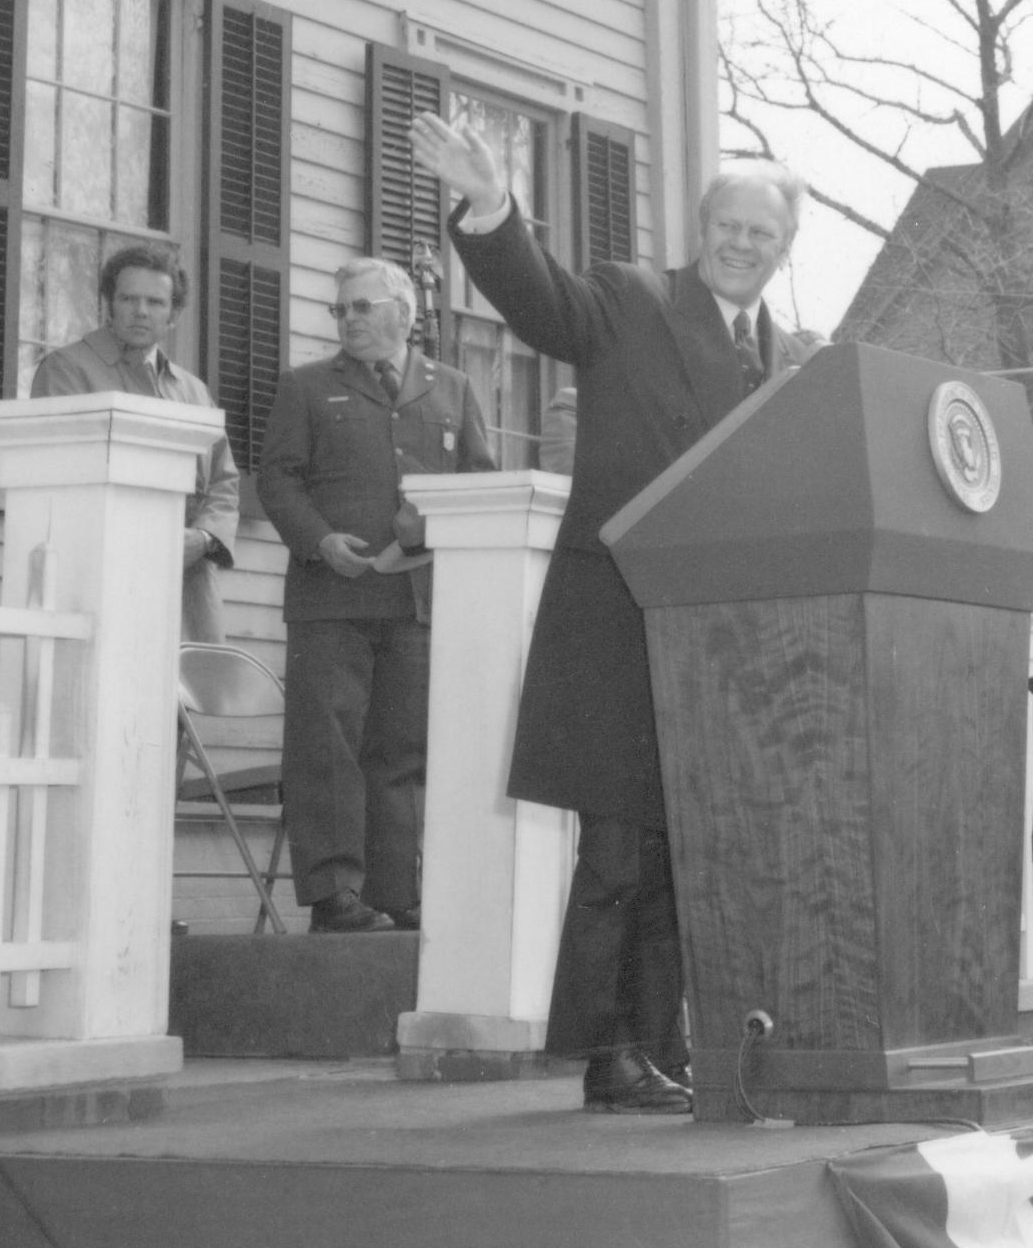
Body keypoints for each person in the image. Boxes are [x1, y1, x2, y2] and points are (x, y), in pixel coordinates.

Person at [412, 110, 805, 1115]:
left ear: (783, 249)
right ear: (702, 227)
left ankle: (655, 1048)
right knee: (619, 854)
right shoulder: (634, 301)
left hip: (711, 641)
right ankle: (603, 1051)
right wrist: (494, 208)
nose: (741, 244)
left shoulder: (784, 359)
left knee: (681, 856)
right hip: (616, 622)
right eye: (729, 225)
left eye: (762, 234)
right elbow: (543, 306)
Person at [256, 256, 494, 934]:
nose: (349, 320)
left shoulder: (450, 388)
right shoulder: (305, 387)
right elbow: (278, 480)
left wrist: (435, 528)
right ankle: (334, 894)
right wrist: (319, 540)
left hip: (416, 600)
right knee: (325, 745)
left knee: (400, 750)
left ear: (404, 311)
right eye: (341, 309)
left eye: (361, 307)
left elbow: (478, 483)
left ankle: (396, 892)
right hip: (331, 596)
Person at [29, 244, 242, 643]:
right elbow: (66, 475)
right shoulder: (68, 370)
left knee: (185, 696)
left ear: (174, 314)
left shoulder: (193, 391)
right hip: (100, 572)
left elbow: (224, 481)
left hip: (187, 581)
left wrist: (204, 538)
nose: (141, 311)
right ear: (109, 304)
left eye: (155, 302)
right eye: (128, 298)